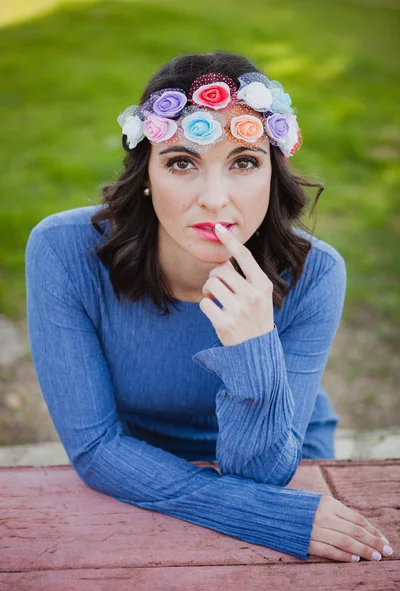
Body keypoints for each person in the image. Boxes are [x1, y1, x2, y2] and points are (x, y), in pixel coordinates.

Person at [25, 50, 392, 563]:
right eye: (182, 162)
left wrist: (253, 348)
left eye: (243, 162)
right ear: (147, 173)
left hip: (282, 456)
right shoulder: (64, 252)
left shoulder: (317, 274)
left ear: (272, 173)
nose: (215, 199)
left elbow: (263, 476)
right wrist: (262, 514)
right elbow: (95, 449)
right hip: (136, 461)